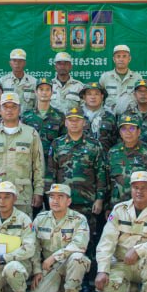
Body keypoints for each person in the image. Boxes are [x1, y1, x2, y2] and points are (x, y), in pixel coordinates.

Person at [28, 183, 90, 292]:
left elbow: (80, 244)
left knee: (78, 258)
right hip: (49, 268)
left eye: (60, 197)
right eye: (52, 197)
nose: (55, 201)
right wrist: (37, 270)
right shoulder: (40, 219)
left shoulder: (79, 219)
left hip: (68, 264)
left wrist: (54, 257)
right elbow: (34, 246)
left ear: (68, 201)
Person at [46, 106, 108, 234]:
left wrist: (100, 199)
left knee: (87, 236)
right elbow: (51, 172)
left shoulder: (94, 145)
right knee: (62, 236)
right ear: (65, 122)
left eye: (77, 120)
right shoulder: (57, 144)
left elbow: (101, 174)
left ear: (84, 122)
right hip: (62, 201)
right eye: (71, 120)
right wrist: (51, 199)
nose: (74, 123)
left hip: (87, 201)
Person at [0, 93, 46, 210]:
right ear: (0, 110)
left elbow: (38, 165)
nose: (9, 110)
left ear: (19, 109)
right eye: (5, 107)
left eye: (13, 107)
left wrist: (38, 191)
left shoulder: (31, 133)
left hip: (22, 195)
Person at [23, 80, 66, 153]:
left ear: (52, 92)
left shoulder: (59, 116)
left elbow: (63, 139)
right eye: (41, 89)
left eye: (47, 89)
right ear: (36, 92)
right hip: (31, 156)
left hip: (51, 157)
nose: (44, 92)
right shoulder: (26, 116)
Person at [98, 44, 139, 114]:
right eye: (118, 56)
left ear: (129, 59)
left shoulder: (137, 77)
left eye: (124, 56)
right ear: (114, 59)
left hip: (130, 115)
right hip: (109, 115)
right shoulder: (105, 77)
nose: (121, 59)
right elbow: (99, 97)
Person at [79, 81, 118, 150]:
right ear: (84, 97)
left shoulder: (110, 117)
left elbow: (116, 140)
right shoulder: (76, 116)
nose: (93, 97)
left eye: (96, 94)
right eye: (89, 94)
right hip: (80, 155)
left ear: (102, 96)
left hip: (104, 155)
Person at [0, 48, 39, 112]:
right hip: (8, 117)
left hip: (28, 118)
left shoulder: (34, 82)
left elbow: (37, 105)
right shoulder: (2, 81)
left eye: (20, 61)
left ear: (25, 63)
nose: (17, 63)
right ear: (10, 63)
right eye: (14, 61)